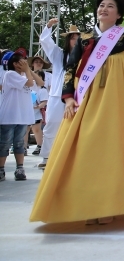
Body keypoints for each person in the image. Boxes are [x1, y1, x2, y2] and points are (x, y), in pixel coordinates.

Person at [30, 0, 124, 224]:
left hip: (115, 100)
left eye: (110, 6)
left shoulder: (123, 36)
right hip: (87, 98)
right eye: (101, 5)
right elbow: (70, 68)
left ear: (119, 14)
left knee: (112, 148)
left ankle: (108, 205)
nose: (104, 9)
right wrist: (69, 98)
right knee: (86, 148)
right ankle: (85, 204)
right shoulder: (84, 39)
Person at [37, 21, 81, 169]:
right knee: (52, 124)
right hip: (57, 95)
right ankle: (47, 156)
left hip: (76, 97)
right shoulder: (58, 54)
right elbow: (45, 41)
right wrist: (49, 26)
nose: (75, 41)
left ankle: (71, 158)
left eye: (77, 38)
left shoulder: (85, 57)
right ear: (68, 40)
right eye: (73, 38)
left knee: (75, 127)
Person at [0, 53, 43, 181]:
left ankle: (20, 168)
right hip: (10, 116)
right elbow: (30, 83)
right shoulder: (10, 75)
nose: (24, 62)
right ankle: (1, 169)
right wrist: (27, 72)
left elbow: (40, 82)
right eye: (21, 61)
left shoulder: (25, 75)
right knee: (4, 144)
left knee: (19, 144)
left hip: (22, 117)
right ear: (15, 64)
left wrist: (28, 70)